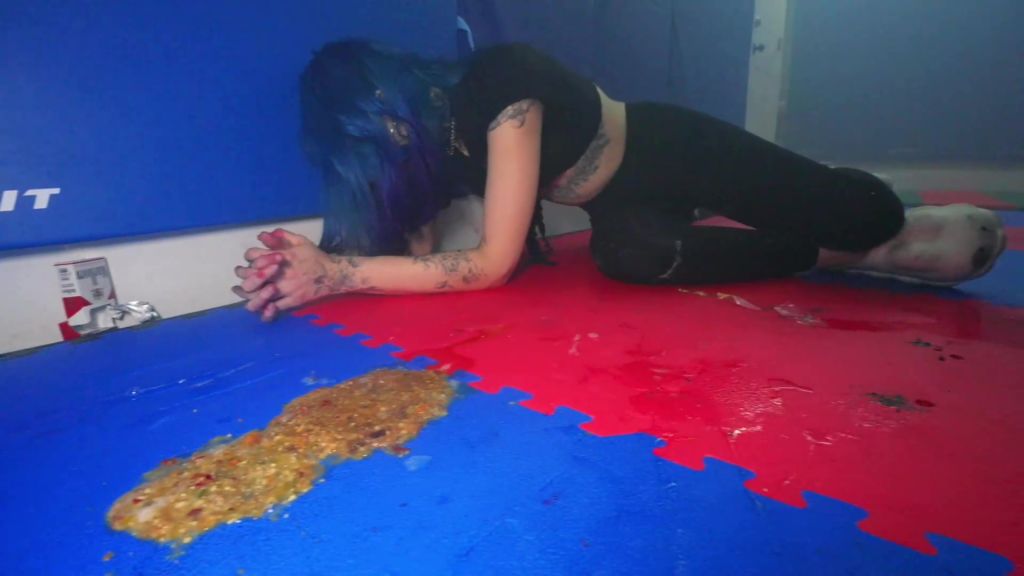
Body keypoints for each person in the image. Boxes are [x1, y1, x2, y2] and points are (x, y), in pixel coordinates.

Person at [233, 41, 1007, 322]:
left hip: (672, 148)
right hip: (620, 202)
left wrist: (341, 274)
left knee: (865, 212)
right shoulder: (440, 151)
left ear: (387, 117)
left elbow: (491, 262)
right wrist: (303, 271)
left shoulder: (501, 82)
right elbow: (416, 247)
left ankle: (860, 217)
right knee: (629, 258)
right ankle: (838, 256)